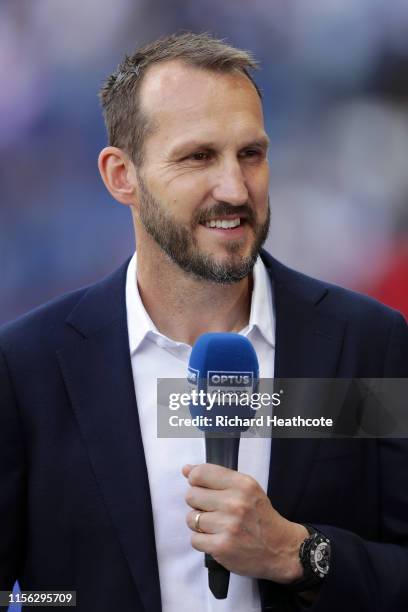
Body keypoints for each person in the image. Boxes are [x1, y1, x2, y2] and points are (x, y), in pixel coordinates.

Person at [0, 32, 407, 612]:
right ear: (122, 175)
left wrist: (299, 553)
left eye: (251, 154)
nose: (235, 189)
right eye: (198, 157)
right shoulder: (27, 368)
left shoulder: (367, 344)